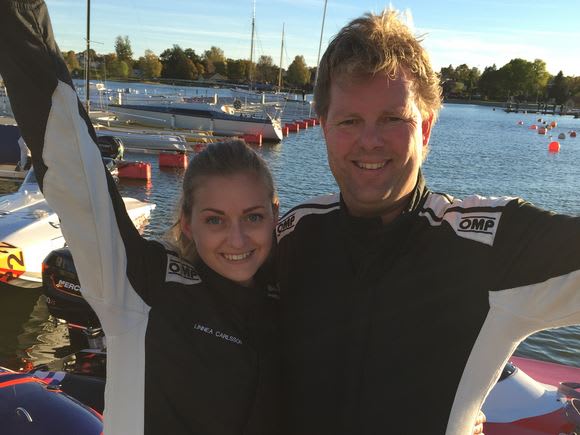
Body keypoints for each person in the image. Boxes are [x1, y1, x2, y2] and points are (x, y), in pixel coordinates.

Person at [275, 9, 580, 435]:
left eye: (392, 118)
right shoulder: (293, 236)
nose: (370, 141)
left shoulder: (490, 247)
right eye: (349, 121)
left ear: (426, 128)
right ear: (324, 127)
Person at [0, 2, 280, 434]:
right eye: (215, 220)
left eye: (253, 216)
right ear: (187, 223)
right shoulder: (142, 287)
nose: (237, 238)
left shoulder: (293, 297)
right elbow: (72, 160)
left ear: (275, 214)